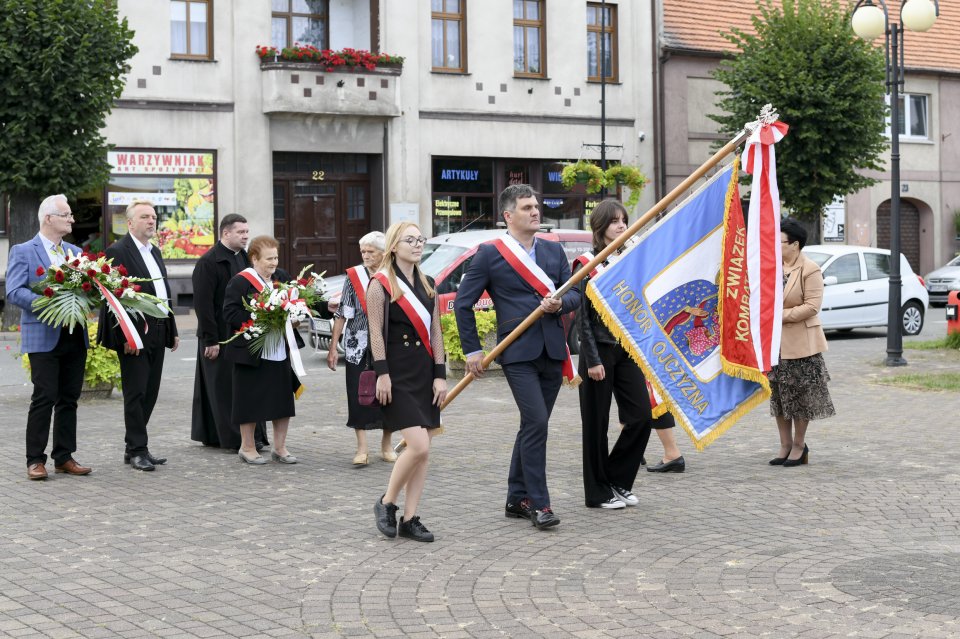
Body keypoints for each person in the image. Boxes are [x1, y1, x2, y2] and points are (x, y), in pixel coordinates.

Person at [455, 184, 581, 531]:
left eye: (537, 206)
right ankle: (539, 504)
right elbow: (463, 303)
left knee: (532, 424)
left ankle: (516, 497)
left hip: (553, 350)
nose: (535, 212)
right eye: (527, 207)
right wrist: (473, 350)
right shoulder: (489, 254)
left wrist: (560, 303)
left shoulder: (554, 253)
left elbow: (576, 295)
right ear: (508, 215)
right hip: (518, 353)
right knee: (538, 422)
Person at [5, 194, 92, 480]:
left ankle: (64, 456)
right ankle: (35, 460)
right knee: (44, 396)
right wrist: (49, 303)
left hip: (74, 334)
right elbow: (14, 291)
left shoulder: (74, 251)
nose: (72, 219)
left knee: (69, 398)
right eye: (66, 215)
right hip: (43, 334)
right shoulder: (23, 250)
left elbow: (85, 290)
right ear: (48, 218)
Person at [370, 222, 447, 542]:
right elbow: (375, 332)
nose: (417, 245)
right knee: (418, 445)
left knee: (424, 451)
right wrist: (382, 374)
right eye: (410, 240)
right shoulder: (380, 284)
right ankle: (386, 502)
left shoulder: (429, 284)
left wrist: (441, 376)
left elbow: (436, 333)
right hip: (396, 375)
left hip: (425, 374)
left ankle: (411, 517)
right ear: (393, 245)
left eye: (420, 240)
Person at [576, 200, 653, 509]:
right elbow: (582, 317)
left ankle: (617, 479)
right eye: (614, 222)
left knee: (641, 417)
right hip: (599, 352)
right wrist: (592, 359)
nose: (621, 225)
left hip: (627, 349)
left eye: (624, 220)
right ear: (600, 227)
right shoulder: (587, 263)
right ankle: (597, 493)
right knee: (596, 425)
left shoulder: (628, 260)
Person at [97, 200, 179, 471]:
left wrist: (172, 328)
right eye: (145, 216)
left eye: (154, 216)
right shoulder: (117, 251)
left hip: (158, 328)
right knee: (136, 392)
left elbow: (162, 293)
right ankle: (137, 449)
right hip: (134, 333)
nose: (151, 221)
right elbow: (113, 299)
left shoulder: (154, 251)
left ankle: (133, 445)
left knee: (151, 392)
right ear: (130, 223)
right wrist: (124, 336)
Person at [190, 214, 271, 451]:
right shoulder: (208, 262)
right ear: (226, 233)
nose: (246, 236)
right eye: (241, 232)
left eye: (247, 232)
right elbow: (203, 305)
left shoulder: (247, 258)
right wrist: (210, 340)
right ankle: (231, 437)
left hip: (244, 333)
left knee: (246, 386)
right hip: (219, 336)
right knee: (222, 389)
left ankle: (253, 436)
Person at [222, 235, 304, 465]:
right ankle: (247, 447)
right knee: (248, 400)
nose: (274, 262)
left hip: (278, 350)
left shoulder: (282, 278)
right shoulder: (240, 282)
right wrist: (260, 318)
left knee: (282, 400)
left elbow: (296, 302)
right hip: (251, 352)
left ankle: (280, 448)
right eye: (269, 258)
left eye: (276, 257)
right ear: (254, 259)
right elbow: (229, 313)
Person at [769, 218, 835, 467]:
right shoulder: (772, 267)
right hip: (776, 345)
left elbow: (811, 306)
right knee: (780, 396)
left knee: (800, 398)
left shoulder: (811, 269)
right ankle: (784, 445)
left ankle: (799, 445)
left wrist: (779, 316)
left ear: (794, 244)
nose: (776, 245)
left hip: (802, 344)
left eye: (780, 241)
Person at [326, 232, 396, 466]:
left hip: (389, 343)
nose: (365, 256)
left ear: (383, 253)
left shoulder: (393, 275)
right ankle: (362, 449)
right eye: (363, 251)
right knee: (359, 394)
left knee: (389, 395)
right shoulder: (353, 276)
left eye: (370, 252)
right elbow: (342, 312)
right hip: (358, 344)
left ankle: (387, 446)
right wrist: (334, 346)